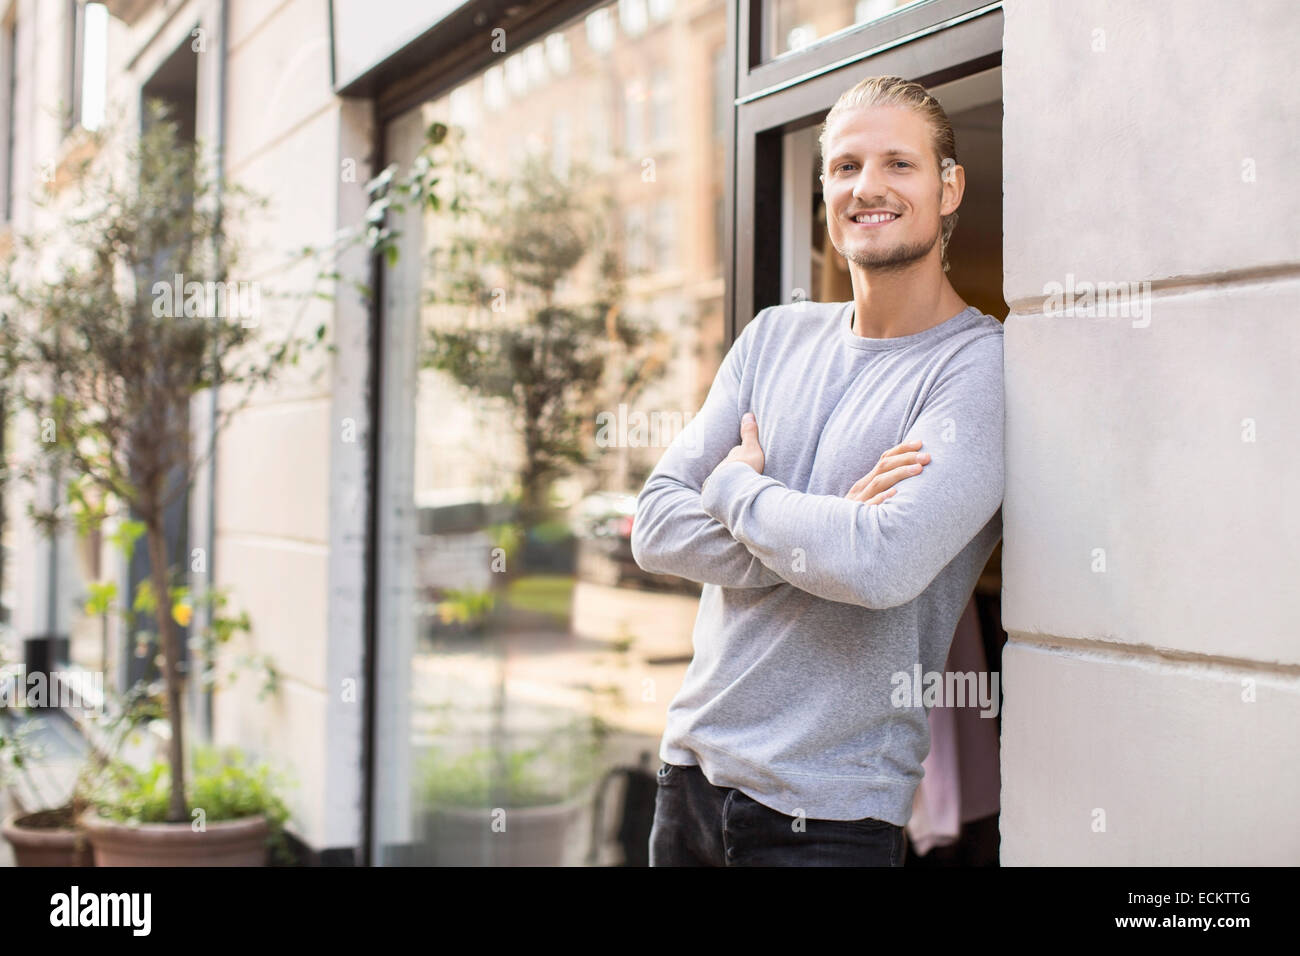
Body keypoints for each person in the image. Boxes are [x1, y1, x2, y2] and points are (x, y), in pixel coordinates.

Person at [631, 75, 1005, 866]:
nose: (867, 187)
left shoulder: (980, 367)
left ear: (949, 187)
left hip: (827, 817)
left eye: (898, 164)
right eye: (845, 167)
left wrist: (736, 489)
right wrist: (830, 523)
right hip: (689, 779)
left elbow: (881, 562)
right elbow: (658, 527)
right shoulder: (771, 337)